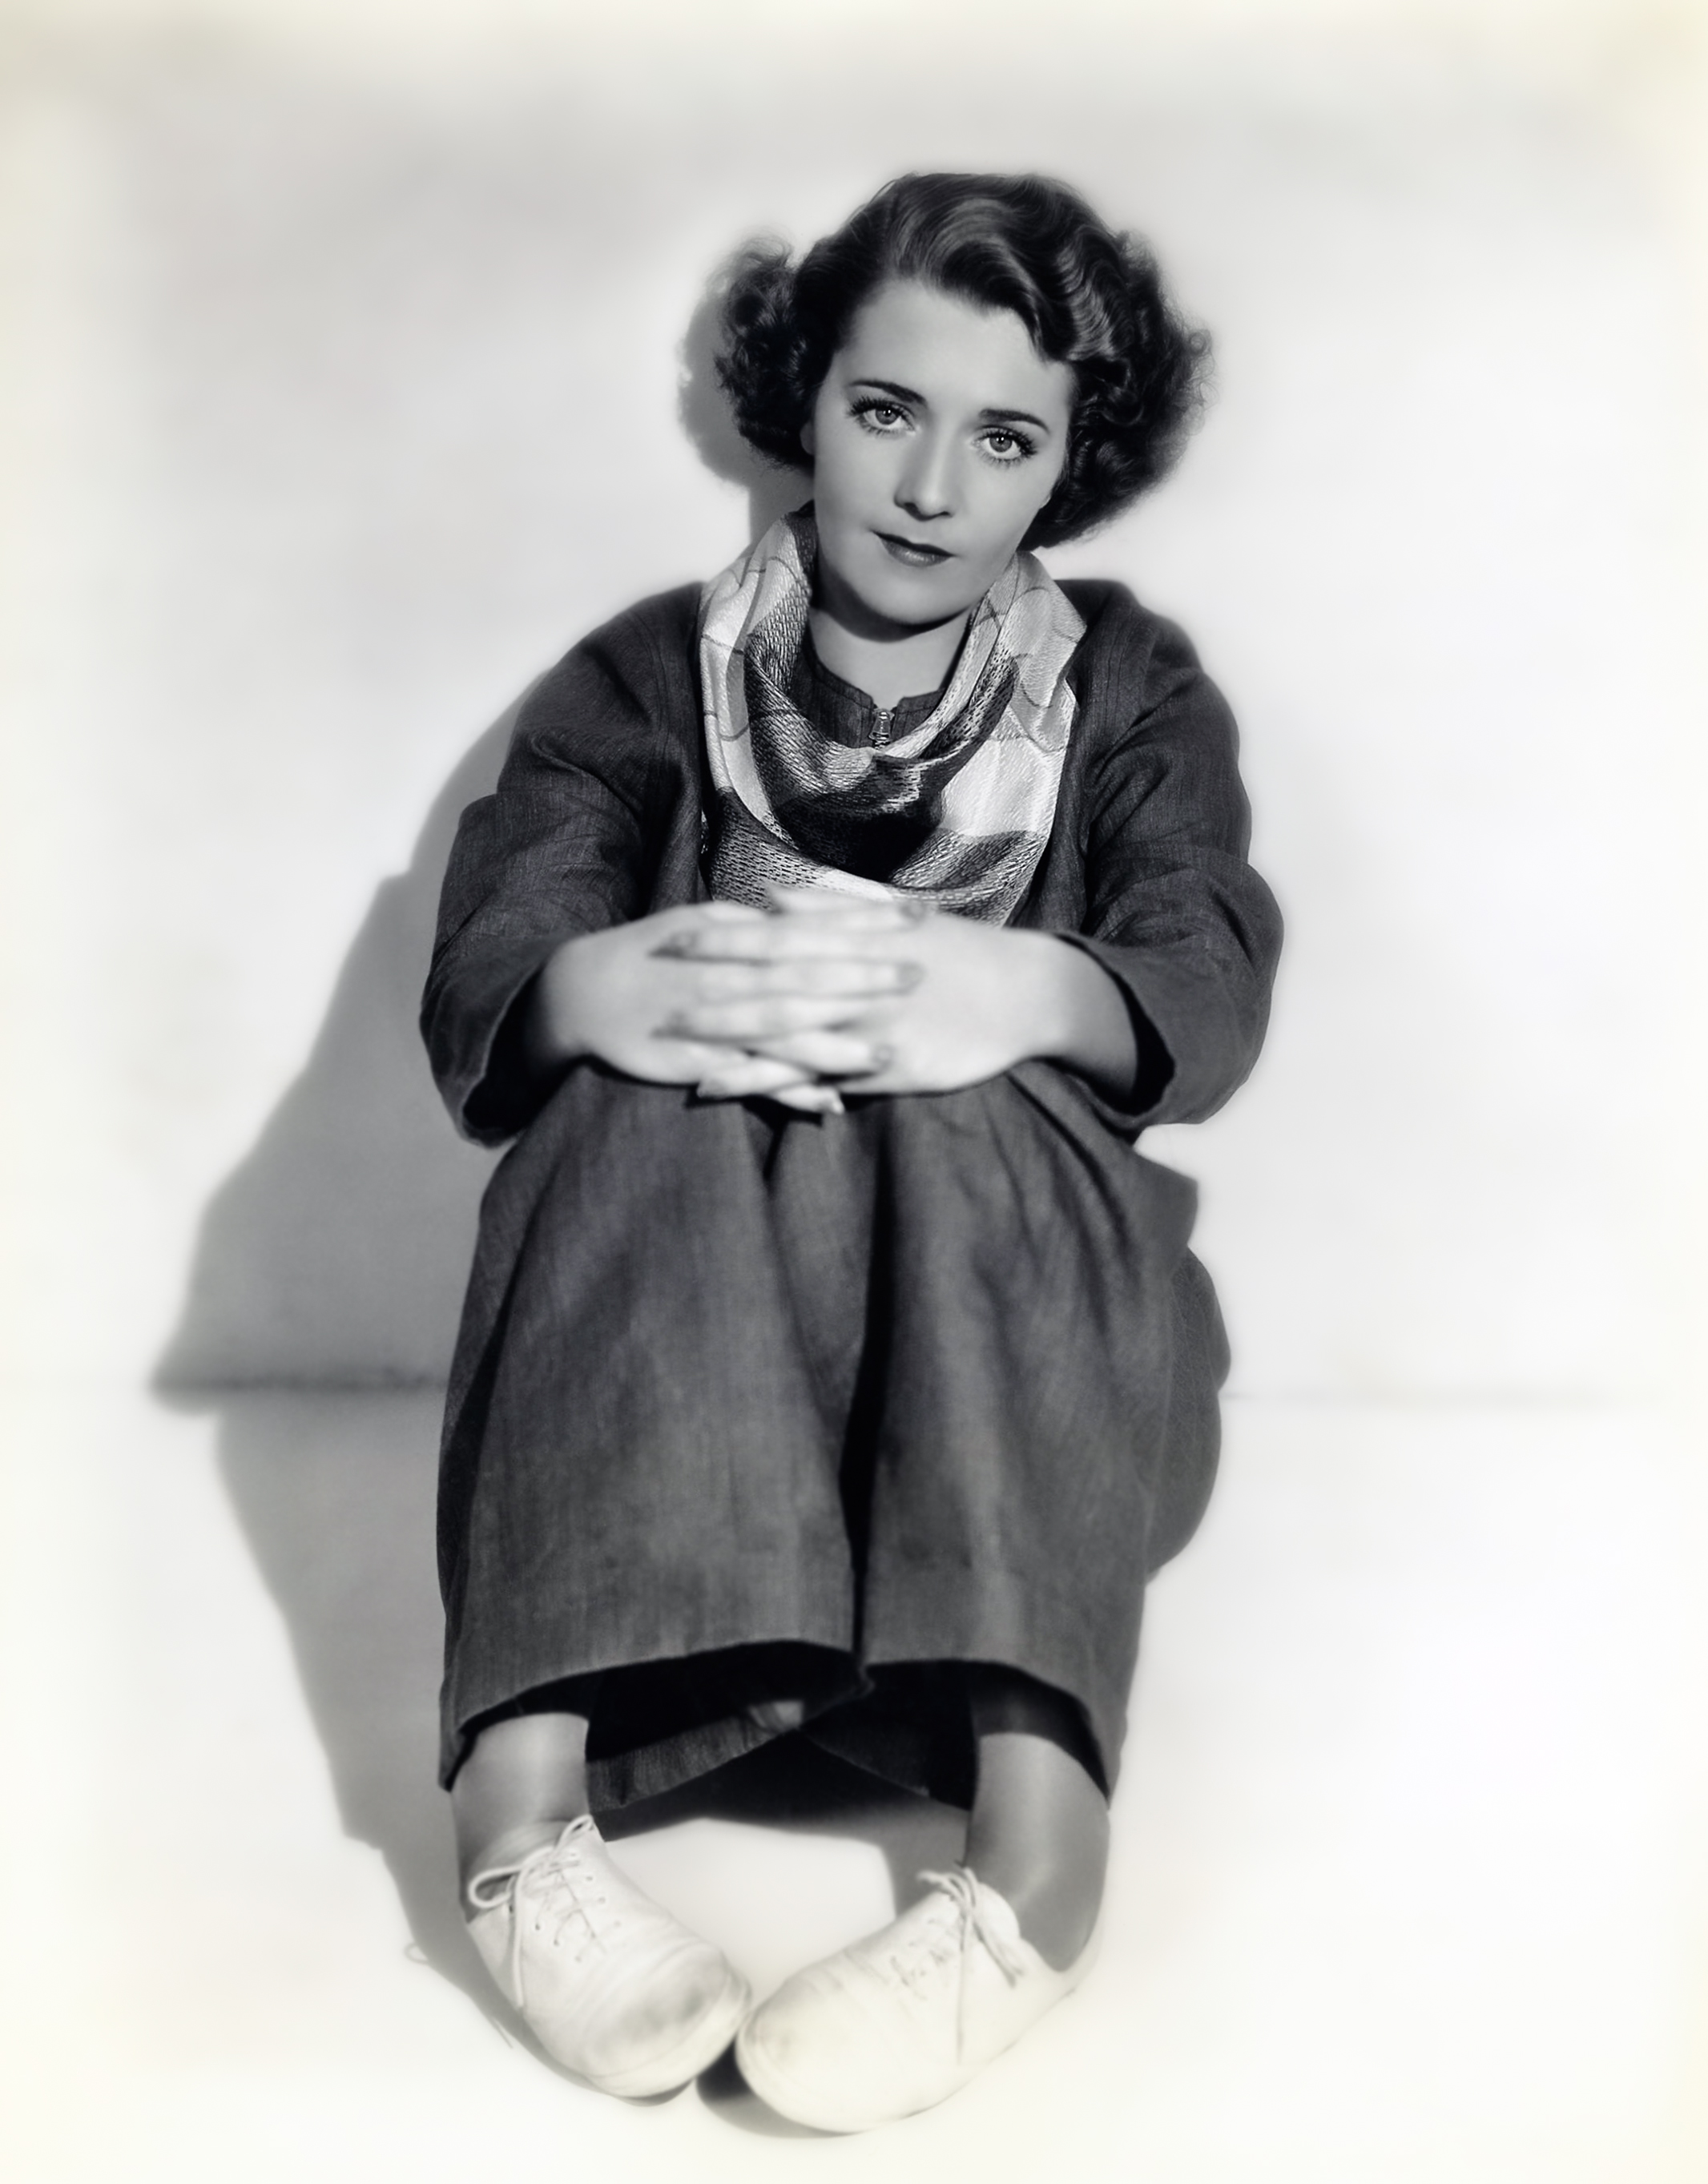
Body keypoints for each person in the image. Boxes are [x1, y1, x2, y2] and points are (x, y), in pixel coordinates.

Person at [421, 170, 1281, 2131]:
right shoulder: (651, 671)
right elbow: (501, 932)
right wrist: (594, 986)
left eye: (1005, 438)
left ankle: (1035, 1867)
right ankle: (521, 1826)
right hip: (690, 1387)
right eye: (888, 410)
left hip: (1002, 1380)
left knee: (984, 1098)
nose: (931, 486)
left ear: (1070, 462)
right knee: (617, 1092)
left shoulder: (1126, 686)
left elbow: (1205, 955)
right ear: (803, 395)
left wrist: (1020, 990)